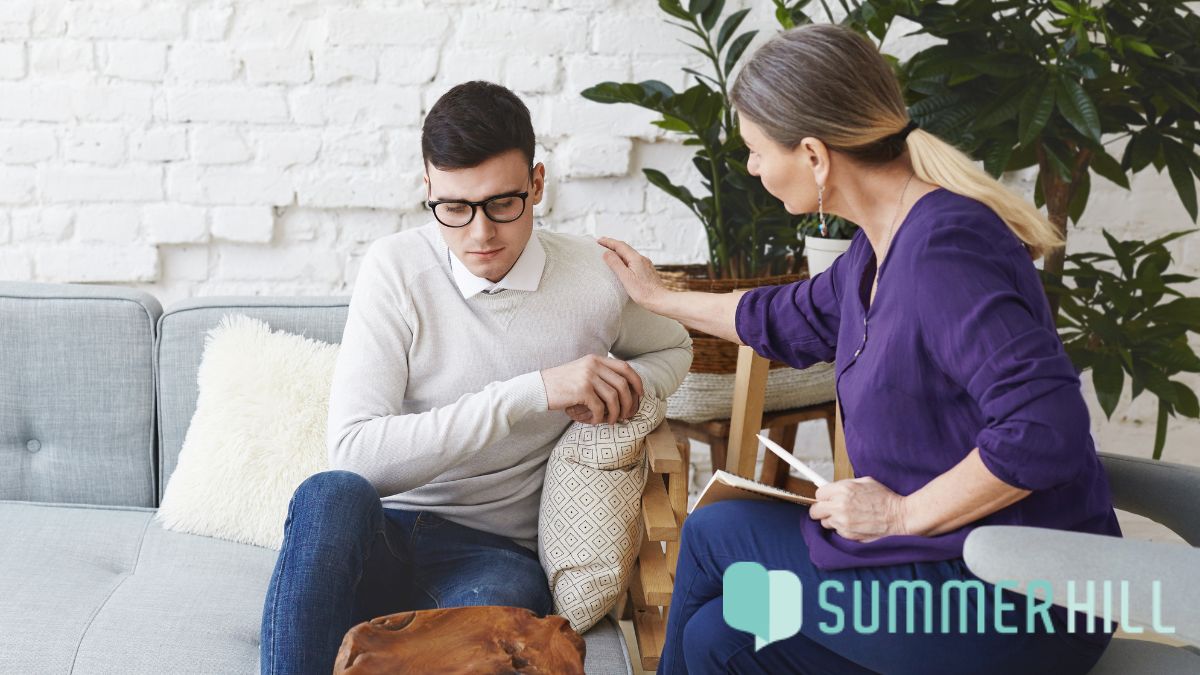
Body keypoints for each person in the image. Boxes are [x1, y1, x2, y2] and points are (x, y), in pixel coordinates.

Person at [599, 24, 1121, 675]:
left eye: (759, 151)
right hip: (937, 566)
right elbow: (779, 315)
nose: (754, 167)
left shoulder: (944, 251)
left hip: (1019, 600)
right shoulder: (872, 252)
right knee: (717, 637)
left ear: (815, 156)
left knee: (713, 533)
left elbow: (1047, 430)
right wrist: (659, 296)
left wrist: (900, 510)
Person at [259, 80, 693, 675]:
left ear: (537, 184)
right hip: (380, 532)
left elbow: (675, 346)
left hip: (492, 553)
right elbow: (356, 456)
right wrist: (532, 391)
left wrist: (621, 383)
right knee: (329, 493)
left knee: (497, 644)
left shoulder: (594, 278)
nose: (480, 233)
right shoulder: (396, 269)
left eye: (502, 204)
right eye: (455, 209)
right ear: (429, 189)